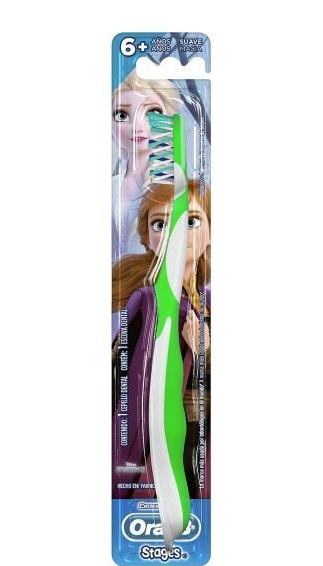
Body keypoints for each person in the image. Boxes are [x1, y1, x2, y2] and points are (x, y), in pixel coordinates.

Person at [111, 179, 211, 500]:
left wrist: (203, 354)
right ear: (148, 239)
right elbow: (120, 379)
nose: (176, 234)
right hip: (153, 445)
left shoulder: (208, 304)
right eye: (160, 224)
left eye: (191, 221)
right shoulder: (146, 302)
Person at [111, 71, 181, 260]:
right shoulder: (112, 186)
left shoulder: (177, 185)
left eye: (153, 112)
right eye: (122, 115)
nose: (137, 126)